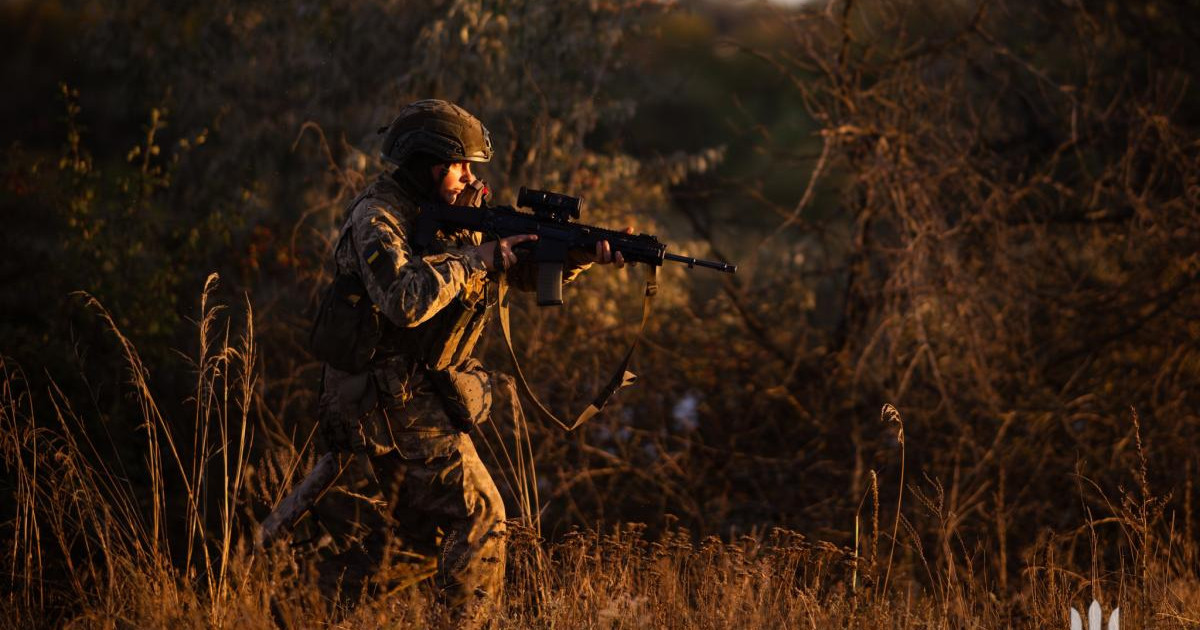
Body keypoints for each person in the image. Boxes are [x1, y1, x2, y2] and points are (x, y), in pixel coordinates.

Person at [312, 99, 625, 618]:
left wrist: (575, 258)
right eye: (460, 165)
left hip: (415, 392)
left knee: (409, 540)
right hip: (382, 395)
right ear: (429, 163)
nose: (469, 175)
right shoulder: (378, 217)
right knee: (482, 516)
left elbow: (514, 274)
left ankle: (301, 603)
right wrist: (474, 258)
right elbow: (404, 300)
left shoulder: (460, 212)